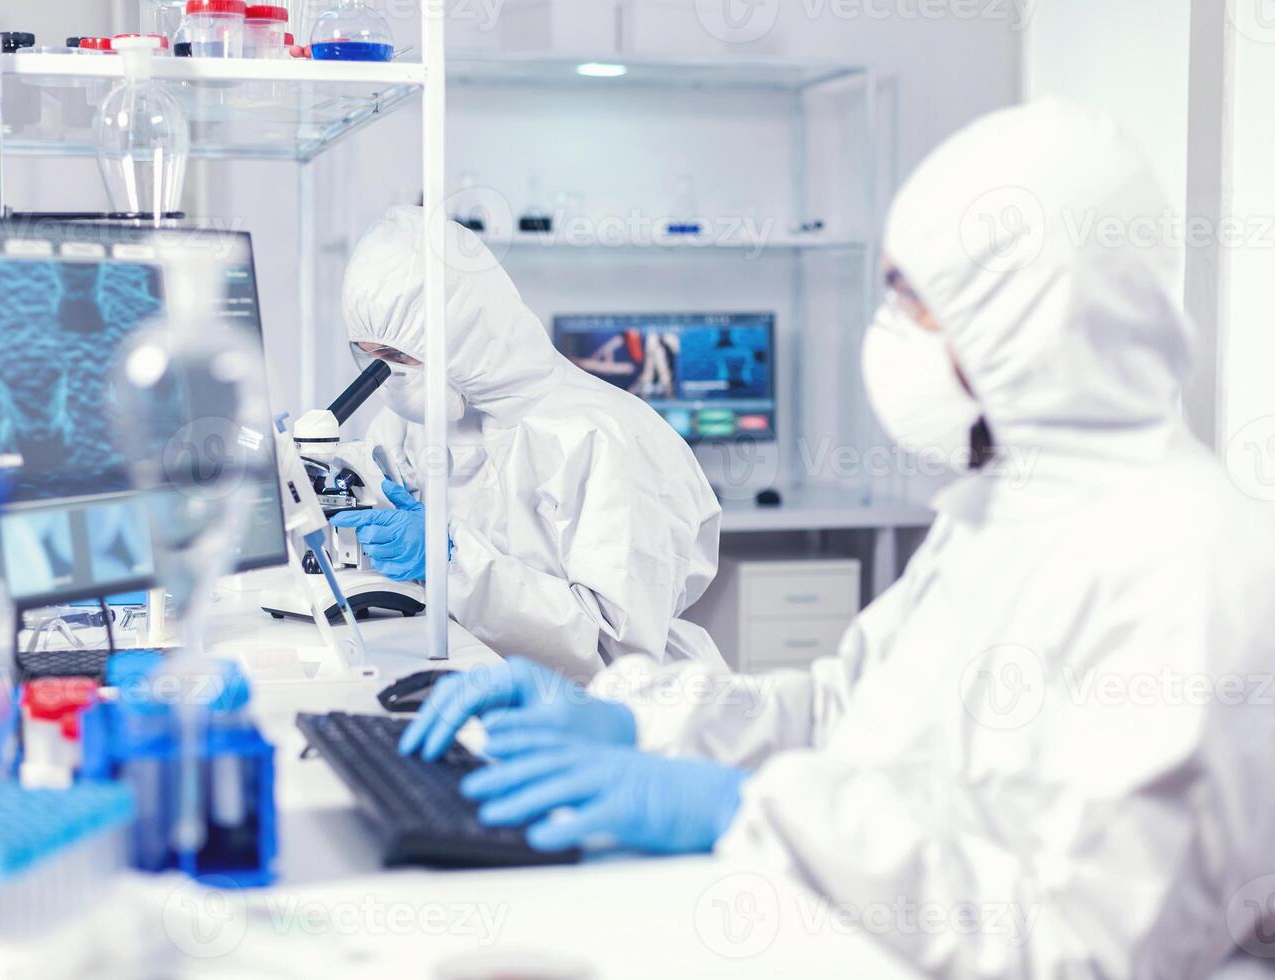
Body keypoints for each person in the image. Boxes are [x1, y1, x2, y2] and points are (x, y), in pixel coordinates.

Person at [396, 100, 1275, 977]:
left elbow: (1084, 945)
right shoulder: (999, 515)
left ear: (1025, 320)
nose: (884, 334)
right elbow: (844, 714)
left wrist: (751, 811)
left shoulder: (1190, 563)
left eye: (910, 303)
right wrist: (636, 718)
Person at [330, 206, 724, 679]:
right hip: (479, 680)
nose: (389, 379)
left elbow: (616, 650)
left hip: (605, 710)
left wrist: (454, 560)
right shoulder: (409, 424)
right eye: (370, 357)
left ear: (464, 336)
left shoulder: (606, 439)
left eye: (397, 356)